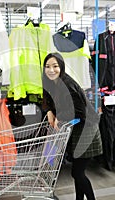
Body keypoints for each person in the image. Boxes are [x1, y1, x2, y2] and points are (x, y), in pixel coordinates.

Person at [42, 52, 102, 200]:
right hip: (76, 129)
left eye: (55, 66)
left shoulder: (67, 84)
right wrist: (49, 110)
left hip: (87, 129)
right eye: (47, 66)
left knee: (77, 173)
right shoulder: (49, 82)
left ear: (61, 67)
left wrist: (60, 117)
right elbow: (46, 97)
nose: (51, 70)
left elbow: (80, 111)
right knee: (77, 171)